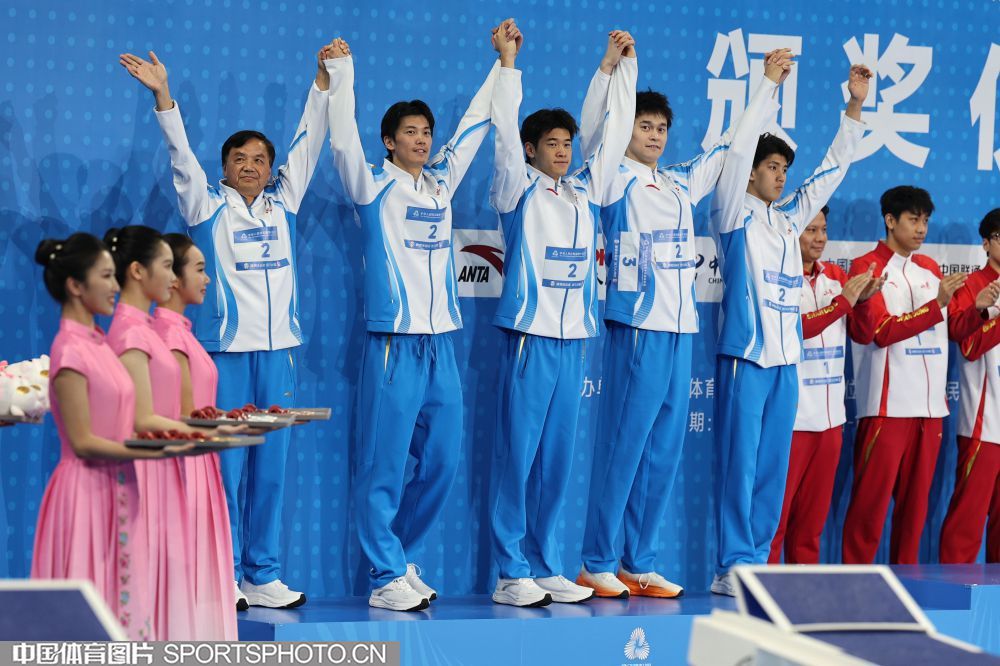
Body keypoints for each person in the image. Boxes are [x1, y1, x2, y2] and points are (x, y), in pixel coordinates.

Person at [119, 42, 334, 609]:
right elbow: (180, 154)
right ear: (224, 167)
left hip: (280, 355)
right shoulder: (205, 205)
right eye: (240, 158)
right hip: (226, 356)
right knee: (226, 469)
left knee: (271, 472)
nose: (251, 166)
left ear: (271, 168)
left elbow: (309, 142)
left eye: (260, 159)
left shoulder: (285, 203)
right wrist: (164, 96)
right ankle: (224, 572)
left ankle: (263, 575)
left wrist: (321, 82)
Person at [576, 46, 793, 599]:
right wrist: (616, 72)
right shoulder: (611, 177)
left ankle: (638, 561)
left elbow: (734, 146)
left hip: (680, 333)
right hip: (637, 328)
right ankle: (596, 559)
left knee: (663, 453)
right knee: (625, 447)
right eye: (643, 125)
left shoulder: (678, 183)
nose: (654, 135)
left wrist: (767, 85)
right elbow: (595, 130)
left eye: (661, 128)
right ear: (626, 130)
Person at [323, 28, 502, 611]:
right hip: (393, 345)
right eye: (410, 132)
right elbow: (342, 140)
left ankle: (402, 558)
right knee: (383, 465)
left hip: (440, 344)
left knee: (443, 460)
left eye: (426, 132)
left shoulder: (441, 184)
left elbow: (474, 127)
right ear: (389, 141)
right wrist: (343, 74)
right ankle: (383, 577)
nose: (422, 140)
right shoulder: (373, 184)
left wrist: (503, 65)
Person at [487, 25, 636, 608]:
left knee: (556, 462)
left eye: (567, 144)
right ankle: (510, 571)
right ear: (531, 151)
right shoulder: (515, 187)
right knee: (518, 458)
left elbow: (612, 134)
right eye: (551, 143)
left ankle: (546, 565)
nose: (563, 151)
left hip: (574, 344)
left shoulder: (583, 193)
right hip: (531, 340)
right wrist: (508, 64)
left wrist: (617, 69)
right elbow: (504, 128)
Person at [711, 64, 871, 596]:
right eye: (772, 167)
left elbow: (831, 171)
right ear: (750, 174)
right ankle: (732, 564)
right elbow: (736, 153)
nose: (781, 176)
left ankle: (756, 561)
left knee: (771, 470)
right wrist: (769, 87)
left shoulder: (787, 220)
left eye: (784, 168)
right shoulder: (732, 214)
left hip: (785, 365)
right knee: (740, 466)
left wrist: (854, 108)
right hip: (746, 358)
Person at [30, 232, 188, 641]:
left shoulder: (99, 344)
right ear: (75, 285)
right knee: (88, 619)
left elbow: (126, 422)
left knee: (127, 611)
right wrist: (155, 452)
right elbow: (83, 441)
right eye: (105, 276)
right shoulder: (69, 349)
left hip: (121, 488)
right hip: (84, 495)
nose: (115, 286)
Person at [842, 187, 992, 564]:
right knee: (869, 511)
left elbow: (956, 330)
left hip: (930, 413)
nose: (921, 228)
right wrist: (936, 304)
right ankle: (854, 586)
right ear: (890, 221)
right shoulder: (866, 267)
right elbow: (880, 332)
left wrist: (977, 311)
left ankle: (907, 585)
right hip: (886, 409)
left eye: (925, 220)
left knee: (914, 514)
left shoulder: (930, 269)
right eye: (913, 220)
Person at [105, 225, 239, 639]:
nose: (175, 278)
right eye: (169, 267)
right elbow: (151, 416)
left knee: (182, 593)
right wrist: (219, 429)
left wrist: (221, 424)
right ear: (138, 271)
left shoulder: (154, 331)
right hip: (162, 466)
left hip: (179, 460)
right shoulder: (144, 333)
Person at [767, 206, 878, 564]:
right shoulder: (778, 276)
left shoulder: (836, 276)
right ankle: (762, 589)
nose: (819, 239)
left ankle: (803, 591)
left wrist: (863, 302)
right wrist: (843, 303)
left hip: (831, 422)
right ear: (792, 233)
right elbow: (796, 330)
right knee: (775, 522)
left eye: (824, 230)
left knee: (811, 527)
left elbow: (863, 334)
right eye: (811, 230)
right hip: (793, 420)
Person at [153, 233, 238, 638]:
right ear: (173, 277)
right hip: (185, 470)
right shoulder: (171, 338)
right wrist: (240, 426)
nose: (207, 279)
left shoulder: (182, 333)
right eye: (200, 270)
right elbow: (182, 417)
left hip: (200, 466)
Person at [939, 208, 1000, 564]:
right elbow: (969, 346)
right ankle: (952, 588)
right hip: (983, 424)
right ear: (986, 243)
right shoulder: (970, 286)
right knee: (967, 521)